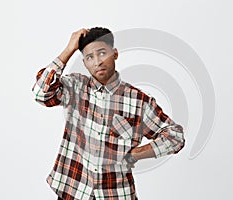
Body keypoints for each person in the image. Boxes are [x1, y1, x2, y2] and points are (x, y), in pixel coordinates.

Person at [32, 27, 185, 200]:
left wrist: (136, 154)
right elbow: (40, 93)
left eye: (102, 53)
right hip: (72, 189)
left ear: (115, 54)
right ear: (84, 63)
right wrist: (69, 50)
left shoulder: (138, 101)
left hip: (116, 194)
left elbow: (175, 137)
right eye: (89, 57)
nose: (97, 62)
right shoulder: (75, 87)